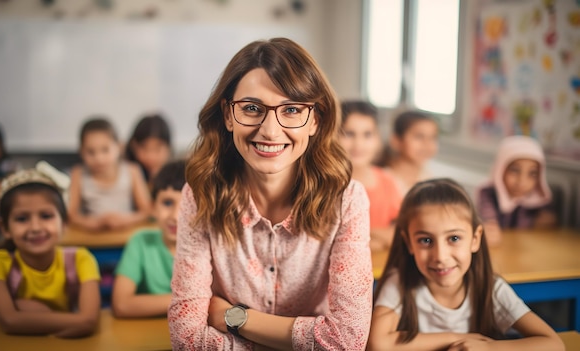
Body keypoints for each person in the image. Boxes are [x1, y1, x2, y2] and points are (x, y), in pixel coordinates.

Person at [168, 38, 373, 350]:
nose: (270, 130)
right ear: (227, 115)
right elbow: (186, 339)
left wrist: (232, 317)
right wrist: (301, 340)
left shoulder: (347, 201)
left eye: (291, 109)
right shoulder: (200, 196)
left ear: (314, 119)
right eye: (252, 108)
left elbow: (345, 341)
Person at [367, 178, 564, 351]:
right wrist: (458, 338)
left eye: (453, 238)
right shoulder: (400, 281)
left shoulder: (490, 288)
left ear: (475, 239)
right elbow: (377, 344)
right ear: (409, 242)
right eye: (425, 241)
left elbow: (553, 343)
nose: (440, 256)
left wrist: (490, 348)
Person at [0, 166, 101, 337]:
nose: (36, 227)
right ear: (4, 227)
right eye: (22, 219)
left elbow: (89, 320)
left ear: (65, 222)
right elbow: (9, 321)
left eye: (46, 216)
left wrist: (34, 314)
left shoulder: (81, 259)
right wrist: (76, 321)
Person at [112, 159, 185, 318]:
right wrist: (190, 301)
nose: (175, 216)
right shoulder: (141, 241)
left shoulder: (209, 247)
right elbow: (121, 304)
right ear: (152, 207)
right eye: (167, 203)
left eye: (187, 205)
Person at [68, 117, 152, 231]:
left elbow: (147, 211)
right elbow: (71, 215)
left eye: (105, 150)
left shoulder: (132, 171)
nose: (99, 158)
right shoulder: (78, 174)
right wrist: (94, 223)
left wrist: (124, 220)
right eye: (91, 152)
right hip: (92, 239)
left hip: (125, 238)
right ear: (81, 151)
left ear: (119, 147)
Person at [339, 100, 402, 251]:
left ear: (378, 139)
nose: (358, 144)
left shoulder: (387, 181)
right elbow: (334, 242)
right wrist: (379, 238)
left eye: (367, 134)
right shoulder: (326, 184)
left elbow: (402, 233)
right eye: (349, 134)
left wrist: (359, 236)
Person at [476, 135, 556, 245]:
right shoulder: (488, 194)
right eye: (515, 170)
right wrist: (489, 229)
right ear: (500, 169)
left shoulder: (538, 199)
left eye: (532, 173)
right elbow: (489, 222)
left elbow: (548, 224)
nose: (522, 182)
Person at [382, 111, 438, 196]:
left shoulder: (429, 179)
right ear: (396, 141)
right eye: (419, 136)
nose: (427, 144)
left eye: (432, 137)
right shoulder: (383, 179)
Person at [125, 113, 172, 185]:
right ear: (133, 146)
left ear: (168, 147)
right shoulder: (126, 174)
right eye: (144, 148)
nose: (151, 156)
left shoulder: (177, 175)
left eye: (157, 149)